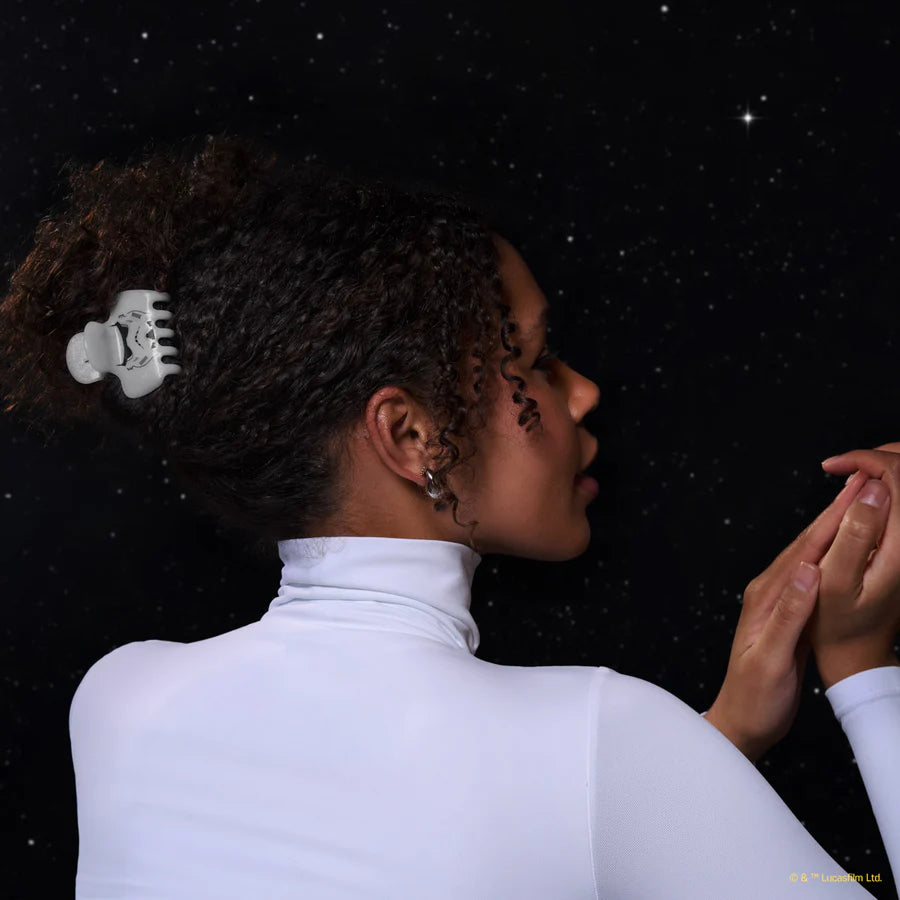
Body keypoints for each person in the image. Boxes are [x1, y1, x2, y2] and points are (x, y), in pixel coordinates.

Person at [1, 131, 898, 899]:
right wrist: (864, 671)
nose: (583, 392)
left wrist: (713, 748)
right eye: (535, 361)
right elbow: (551, 806)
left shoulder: (122, 701)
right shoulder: (606, 735)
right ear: (410, 434)